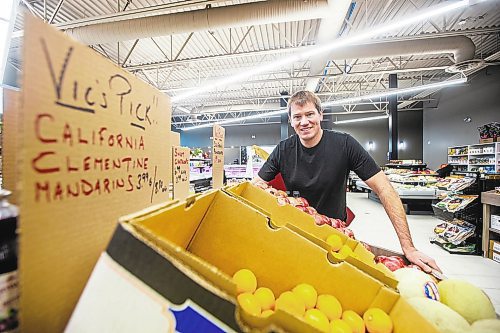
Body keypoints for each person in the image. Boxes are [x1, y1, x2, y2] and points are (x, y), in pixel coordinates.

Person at [253, 90, 441, 273]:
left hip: (335, 236)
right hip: (297, 235)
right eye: (297, 117)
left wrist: (408, 247)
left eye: (310, 114)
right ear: (290, 120)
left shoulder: (344, 144)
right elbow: (255, 186)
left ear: (320, 114)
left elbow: (385, 189)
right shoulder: (283, 149)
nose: (304, 122)